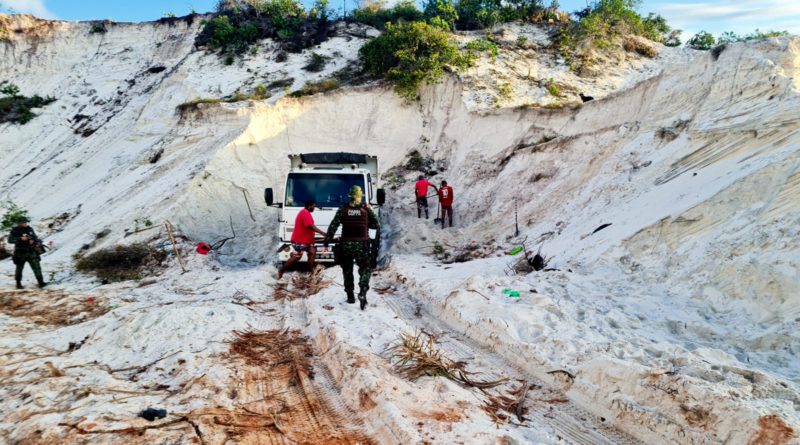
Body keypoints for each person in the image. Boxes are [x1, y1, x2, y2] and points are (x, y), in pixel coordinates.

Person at [325, 185, 380, 310]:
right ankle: (363, 289)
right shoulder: (366, 209)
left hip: (346, 245)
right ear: (360, 196)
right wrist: (367, 222)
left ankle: (350, 296)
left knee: (347, 270)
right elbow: (376, 225)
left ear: (350, 196)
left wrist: (327, 240)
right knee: (365, 268)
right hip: (362, 244)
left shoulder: (343, 209)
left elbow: (333, 225)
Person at [277, 200, 327, 279]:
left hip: (307, 241)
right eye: (313, 206)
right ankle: (282, 270)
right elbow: (310, 226)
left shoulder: (306, 213)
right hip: (299, 240)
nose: (314, 208)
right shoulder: (305, 213)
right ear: (309, 206)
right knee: (297, 257)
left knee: (312, 252)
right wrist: (322, 233)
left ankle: (312, 272)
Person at [8, 216, 46, 289]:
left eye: (26, 222)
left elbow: (35, 238)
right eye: (24, 222)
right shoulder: (15, 231)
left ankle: (41, 282)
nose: (26, 223)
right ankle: (18, 283)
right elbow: (10, 240)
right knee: (19, 268)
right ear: (20, 223)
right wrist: (20, 238)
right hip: (20, 253)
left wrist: (33, 241)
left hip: (31, 251)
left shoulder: (29, 229)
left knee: (37, 267)